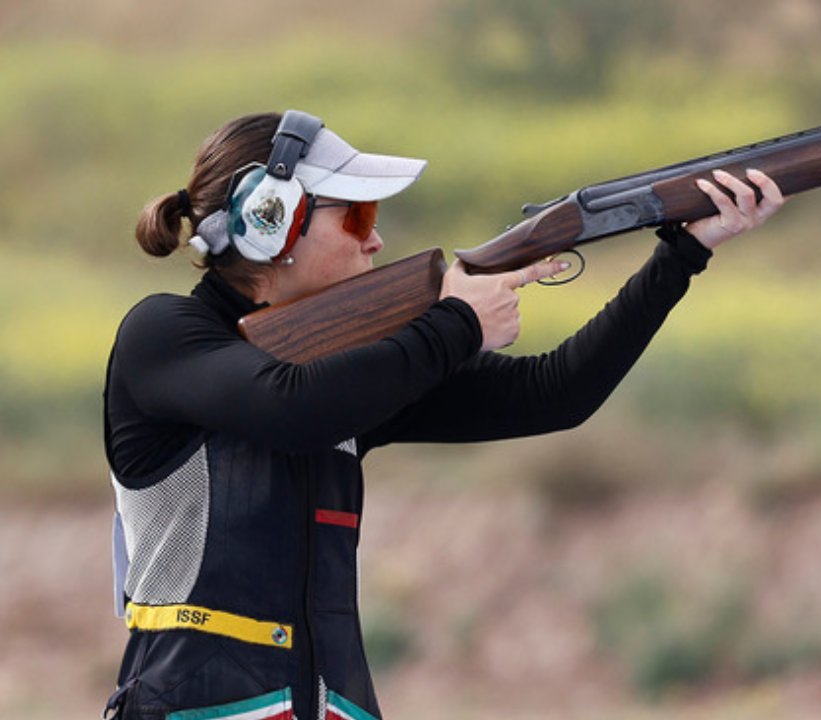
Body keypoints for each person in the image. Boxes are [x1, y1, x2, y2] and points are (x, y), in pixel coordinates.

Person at [103, 110, 785, 720]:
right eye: (358, 217)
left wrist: (681, 254)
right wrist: (457, 322)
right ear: (270, 220)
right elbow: (290, 408)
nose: (376, 243)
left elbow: (556, 393)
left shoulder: (354, 369)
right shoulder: (162, 335)